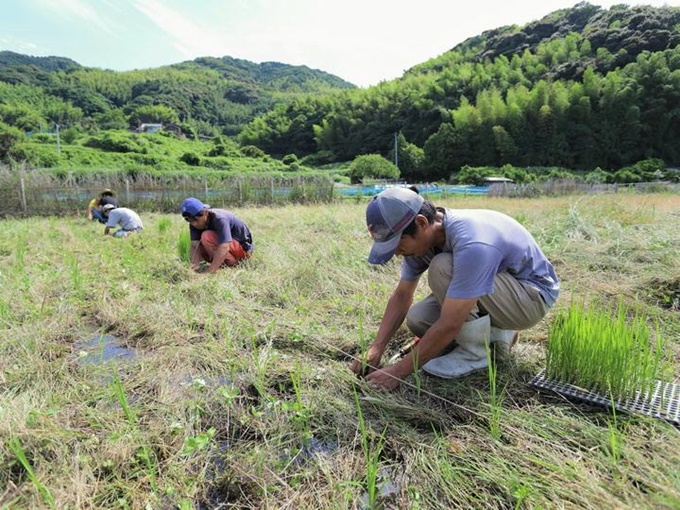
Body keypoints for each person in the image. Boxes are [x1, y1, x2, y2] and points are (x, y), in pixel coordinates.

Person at [350, 187, 559, 390]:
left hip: (530, 298)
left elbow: (450, 323)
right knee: (419, 318)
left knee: (442, 267)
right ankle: (498, 336)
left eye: (397, 244)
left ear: (421, 223)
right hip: (498, 292)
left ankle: (475, 354)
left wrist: (397, 372)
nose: (396, 253)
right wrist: (376, 348)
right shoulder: (423, 241)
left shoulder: (472, 242)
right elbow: (402, 295)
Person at [180, 197, 253, 274]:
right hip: (226, 247)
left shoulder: (220, 219)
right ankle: (220, 264)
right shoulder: (194, 224)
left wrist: (209, 271)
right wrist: (195, 267)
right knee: (199, 243)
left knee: (206, 236)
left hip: (243, 249)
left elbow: (224, 246)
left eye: (196, 219)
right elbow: (195, 245)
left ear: (205, 213)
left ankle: (231, 264)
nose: (194, 223)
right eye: (189, 220)